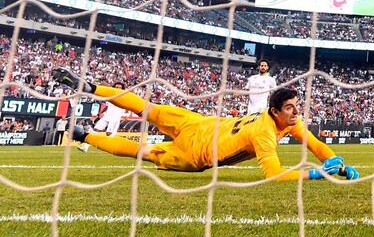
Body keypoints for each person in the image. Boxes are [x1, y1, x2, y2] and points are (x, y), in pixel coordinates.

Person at [52, 67, 358, 181]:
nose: (296, 113)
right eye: (291, 109)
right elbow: (274, 175)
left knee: (148, 109)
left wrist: (334, 161)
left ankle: (91, 92)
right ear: (276, 111)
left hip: (200, 125)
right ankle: (84, 132)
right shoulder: (265, 132)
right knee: (143, 151)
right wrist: (314, 175)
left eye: (296, 108)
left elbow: (315, 144)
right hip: (197, 154)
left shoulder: (285, 119)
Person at [78, 81, 128, 153]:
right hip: (107, 116)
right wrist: (100, 113)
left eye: (119, 88)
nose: (118, 88)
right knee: (95, 130)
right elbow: (107, 106)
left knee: (109, 133)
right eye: (116, 87)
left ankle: (114, 148)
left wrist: (125, 115)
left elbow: (127, 107)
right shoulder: (110, 96)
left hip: (115, 118)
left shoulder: (123, 96)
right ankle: (85, 146)